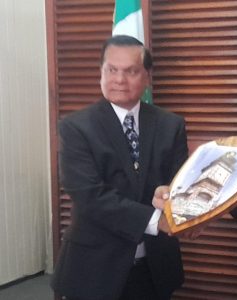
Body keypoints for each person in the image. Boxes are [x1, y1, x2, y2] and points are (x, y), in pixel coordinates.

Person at [51, 35, 188, 300]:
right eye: (111, 70)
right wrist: (155, 220)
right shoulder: (76, 127)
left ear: (147, 76)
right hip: (95, 269)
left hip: (155, 267)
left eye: (131, 71)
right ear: (100, 73)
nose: (119, 79)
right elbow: (90, 197)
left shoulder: (171, 125)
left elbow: (180, 183)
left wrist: (171, 194)